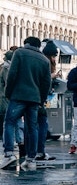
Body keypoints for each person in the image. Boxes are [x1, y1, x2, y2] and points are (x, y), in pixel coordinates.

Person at [1, 37, 52, 170]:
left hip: (18, 95)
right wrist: (41, 99)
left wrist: (8, 92)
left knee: (10, 122)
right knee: (32, 127)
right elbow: (47, 83)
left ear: (26, 43)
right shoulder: (45, 60)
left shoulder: (19, 53)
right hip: (34, 98)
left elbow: (12, 74)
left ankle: (9, 154)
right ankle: (31, 159)